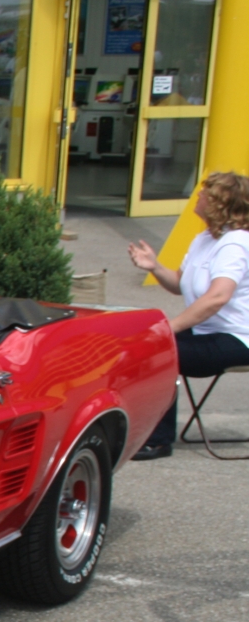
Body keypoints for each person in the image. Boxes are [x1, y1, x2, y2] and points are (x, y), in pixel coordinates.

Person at [127, 170, 249, 459]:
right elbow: (179, 285)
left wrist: (169, 328)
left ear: (221, 204)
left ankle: (158, 440)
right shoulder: (205, 238)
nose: (199, 196)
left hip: (238, 338)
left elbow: (217, 297)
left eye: (205, 193)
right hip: (209, 331)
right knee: (142, 341)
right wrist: (154, 267)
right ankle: (145, 430)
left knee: (160, 353)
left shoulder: (235, 244)